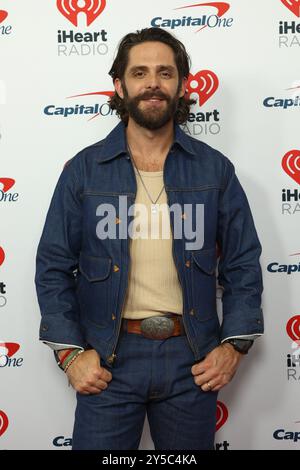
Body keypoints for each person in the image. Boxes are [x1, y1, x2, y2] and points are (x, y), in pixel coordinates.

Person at [35, 27, 264, 450]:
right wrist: (69, 355)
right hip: (108, 357)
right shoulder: (84, 171)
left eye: (165, 72)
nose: (153, 83)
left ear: (182, 86)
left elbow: (243, 262)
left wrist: (235, 344)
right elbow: (52, 265)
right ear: (120, 86)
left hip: (190, 358)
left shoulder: (215, 170)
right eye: (140, 73)